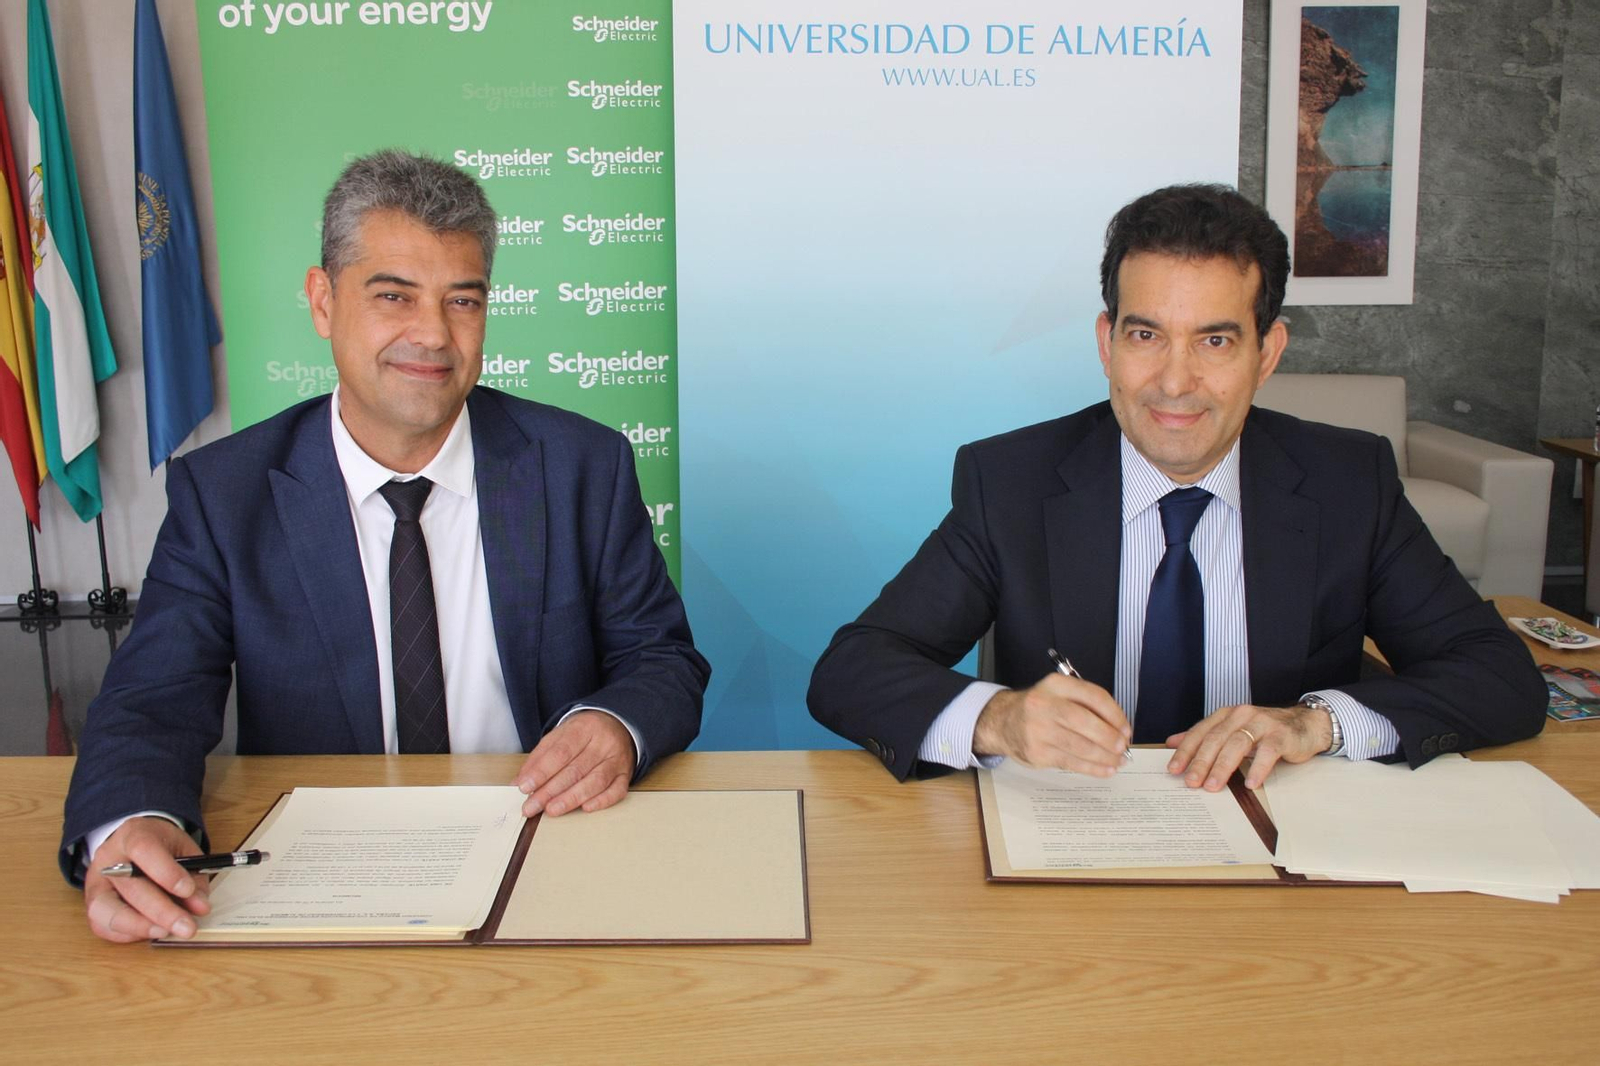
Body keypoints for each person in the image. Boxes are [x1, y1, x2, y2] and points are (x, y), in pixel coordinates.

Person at [61, 150, 709, 942]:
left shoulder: (581, 465)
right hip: (327, 881)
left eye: (462, 301)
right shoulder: (226, 492)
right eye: (393, 295)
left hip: (549, 849)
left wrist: (615, 725)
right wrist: (132, 823)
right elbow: (152, 697)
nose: (432, 335)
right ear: (323, 301)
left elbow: (664, 660)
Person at [808, 183, 1544, 792]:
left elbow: (1499, 678)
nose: (1174, 381)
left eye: (1215, 341)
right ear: (1106, 343)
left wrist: (1312, 724)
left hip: (1289, 843)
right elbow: (854, 669)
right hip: (1072, 849)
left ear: (1267, 353)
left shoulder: (1349, 482)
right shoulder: (1011, 482)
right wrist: (998, 719)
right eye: (1145, 335)